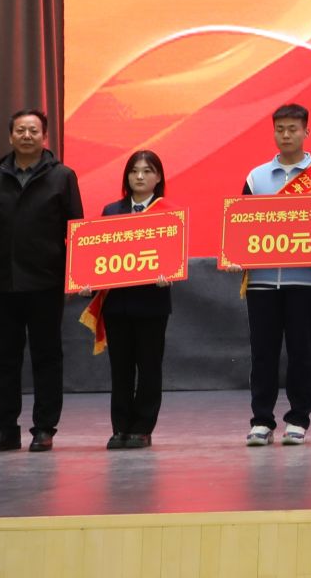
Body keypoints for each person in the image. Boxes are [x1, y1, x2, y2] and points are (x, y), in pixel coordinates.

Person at [0, 108, 85, 453]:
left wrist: (75, 275)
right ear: (10, 136)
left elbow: (77, 231)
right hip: (1, 284)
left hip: (46, 283)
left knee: (47, 357)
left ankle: (44, 428)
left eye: (34, 130)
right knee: (5, 360)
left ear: (44, 137)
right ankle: (5, 430)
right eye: (20, 130)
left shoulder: (62, 176)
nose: (27, 136)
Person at [235, 102, 311, 448]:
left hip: (305, 280)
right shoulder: (256, 177)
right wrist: (236, 255)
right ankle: (261, 421)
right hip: (262, 281)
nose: (286, 135)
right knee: (262, 352)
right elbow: (241, 226)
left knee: (300, 352)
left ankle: (298, 419)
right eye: (280, 129)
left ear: (306, 131)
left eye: (293, 129)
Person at [98, 151, 173, 449]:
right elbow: (98, 256)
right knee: (121, 369)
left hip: (152, 304)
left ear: (158, 177)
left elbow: (173, 257)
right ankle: (120, 427)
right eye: (134, 171)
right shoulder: (111, 211)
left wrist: (170, 273)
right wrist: (87, 279)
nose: (139, 176)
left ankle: (142, 427)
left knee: (149, 367)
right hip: (117, 304)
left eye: (147, 171)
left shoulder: (168, 213)